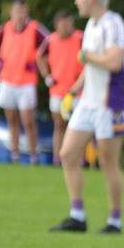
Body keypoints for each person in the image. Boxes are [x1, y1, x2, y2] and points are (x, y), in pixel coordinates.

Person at [49, 0, 124, 235]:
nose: (76, 1)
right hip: (88, 102)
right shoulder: (92, 26)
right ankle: (77, 216)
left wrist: (87, 55)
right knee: (67, 154)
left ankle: (114, 221)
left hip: (110, 104)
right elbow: (90, 66)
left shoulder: (112, 24)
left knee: (108, 161)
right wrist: (73, 91)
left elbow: (114, 62)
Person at [0, 0, 50, 164]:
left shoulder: (34, 28)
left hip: (26, 81)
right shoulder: (5, 28)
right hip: (8, 80)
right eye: (17, 10)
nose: (20, 14)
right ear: (11, 12)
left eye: (23, 10)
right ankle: (14, 155)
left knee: (28, 120)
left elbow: (51, 42)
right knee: (12, 120)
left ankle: (33, 154)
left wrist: (38, 63)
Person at [36, 10, 84, 166]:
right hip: (57, 90)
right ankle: (58, 158)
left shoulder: (80, 37)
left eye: (70, 23)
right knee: (59, 125)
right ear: (57, 25)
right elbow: (39, 57)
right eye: (64, 24)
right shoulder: (51, 40)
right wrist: (46, 76)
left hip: (77, 90)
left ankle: (79, 157)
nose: (68, 27)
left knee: (79, 126)